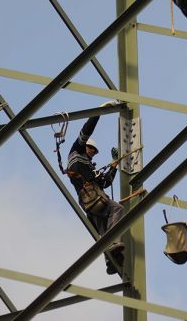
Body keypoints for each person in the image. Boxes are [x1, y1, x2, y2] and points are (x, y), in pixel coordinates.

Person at [66, 111, 125, 274]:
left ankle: (111, 262)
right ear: (85, 146)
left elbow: (105, 182)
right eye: (91, 148)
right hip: (92, 198)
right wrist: (98, 112)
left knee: (104, 230)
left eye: (95, 150)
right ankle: (114, 246)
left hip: (91, 202)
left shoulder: (91, 169)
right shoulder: (76, 152)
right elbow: (86, 131)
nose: (92, 151)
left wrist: (114, 165)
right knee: (118, 209)